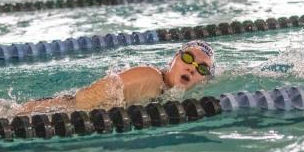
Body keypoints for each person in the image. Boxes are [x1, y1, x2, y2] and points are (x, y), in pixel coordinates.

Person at [18, 40, 216, 115]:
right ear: (173, 59)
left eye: (202, 69)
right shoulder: (150, 77)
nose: (192, 68)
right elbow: (85, 99)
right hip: (46, 112)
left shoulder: (166, 90)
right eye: (188, 57)